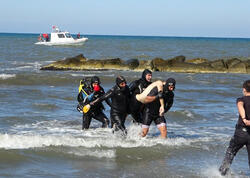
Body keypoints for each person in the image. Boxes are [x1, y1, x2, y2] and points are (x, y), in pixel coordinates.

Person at [219, 80, 250, 176]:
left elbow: (240, 106)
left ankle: (221, 174)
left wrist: (244, 118)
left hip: (241, 133)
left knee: (230, 152)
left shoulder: (241, 99)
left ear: (244, 89)